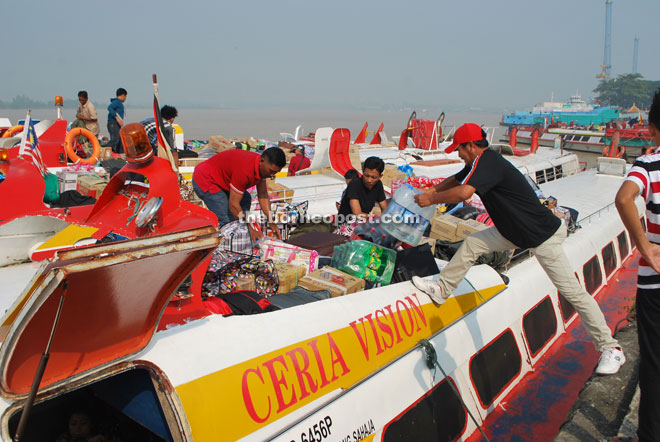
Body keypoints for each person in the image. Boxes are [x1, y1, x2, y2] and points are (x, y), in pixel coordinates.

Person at [412, 122, 624, 375]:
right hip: (514, 233)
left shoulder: (488, 163)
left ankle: (611, 348)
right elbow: (456, 179)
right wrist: (432, 189)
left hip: (540, 235)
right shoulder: (479, 163)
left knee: (573, 292)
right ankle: (442, 289)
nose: (457, 154)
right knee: (473, 243)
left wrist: (432, 199)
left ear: (470, 146)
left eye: (459, 148)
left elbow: (463, 193)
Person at [614, 89, 660, 441]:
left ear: (651, 127)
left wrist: (645, 246)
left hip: (655, 284)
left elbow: (625, 198)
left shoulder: (648, 164)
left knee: (655, 367)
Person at [192, 147, 286, 240]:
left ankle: (242, 231)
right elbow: (233, 205)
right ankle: (228, 244)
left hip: (223, 181)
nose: (271, 175)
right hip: (206, 179)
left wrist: (271, 222)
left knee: (246, 199)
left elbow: (263, 195)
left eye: (275, 173)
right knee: (227, 221)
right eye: (271, 171)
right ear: (262, 160)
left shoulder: (262, 168)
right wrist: (249, 229)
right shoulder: (245, 170)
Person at [337, 157, 387, 221]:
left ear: (380, 176)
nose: (369, 180)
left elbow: (385, 209)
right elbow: (357, 214)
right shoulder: (354, 184)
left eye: (373, 177)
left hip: (364, 221)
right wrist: (376, 218)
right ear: (363, 171)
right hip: (347, 223)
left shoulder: (378, 185)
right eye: (367, 176)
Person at [106, 88, 127, 154]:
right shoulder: (117, 102)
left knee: (120, 141)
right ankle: (103, 149)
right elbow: (109, 107)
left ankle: (120, 154)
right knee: (115, 140)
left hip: (117, 125)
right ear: (123, 95)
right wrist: (117, 117)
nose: (125, 98)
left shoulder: (119, 103)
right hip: (113, 123)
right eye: (125, 96)